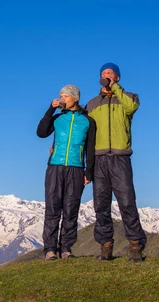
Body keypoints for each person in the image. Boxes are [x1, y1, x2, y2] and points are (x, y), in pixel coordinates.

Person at [86, 63, 147, 262]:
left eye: (110, 73)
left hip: (121, 158)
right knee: (101, 205)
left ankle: (135, 246)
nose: (106, 75)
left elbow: (132, 108)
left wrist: (116, 89)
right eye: (103, 73)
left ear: (117, 77)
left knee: (127, 202)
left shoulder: (128, 98)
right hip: (99, 159)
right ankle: (105, 247)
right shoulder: (93, 104)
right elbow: (84, 130)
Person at [37, 84, 96, 260]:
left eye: (65, 97)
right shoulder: (57, 118)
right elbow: (41, 133)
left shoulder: (88, 121)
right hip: (55, 167)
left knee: (71, 209)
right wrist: (50, 110)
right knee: (53, 208)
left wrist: (89, 172)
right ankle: (50, 250)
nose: (62, 99)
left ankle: (66, 249)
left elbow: (90, 148)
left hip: (76, 169)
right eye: (60, 96)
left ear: (75, 98)